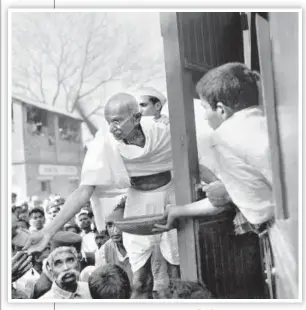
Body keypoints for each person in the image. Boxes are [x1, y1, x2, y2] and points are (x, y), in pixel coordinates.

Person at [25, 92, 179, 299]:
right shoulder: (105, 144)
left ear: (136, 117)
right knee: (141, 280)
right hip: (138, 203)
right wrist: (48, 232)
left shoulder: (163, 130)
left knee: (176, 271)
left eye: (117, 120)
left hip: (172, 197)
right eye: (108, 122)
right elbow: (84, 190)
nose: (112, 127)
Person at [155, 62, 274, 237]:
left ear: (221, 110)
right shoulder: (265, 118)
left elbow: (259, 211)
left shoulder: (223, 138)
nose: (204, 116)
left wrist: (226, 193)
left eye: (205, 108)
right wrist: (178, 210)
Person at [33, 231, 95, 298]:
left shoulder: (90, 289)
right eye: (58, 263)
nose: (66, 268)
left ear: (78, 262)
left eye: (70, 260)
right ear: (50, 268)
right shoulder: (44, 290)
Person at [95, 198, 133, 284]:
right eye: (109, 225)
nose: (114, 231)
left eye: (119, 224)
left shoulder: (143, 245)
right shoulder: (103, 252)